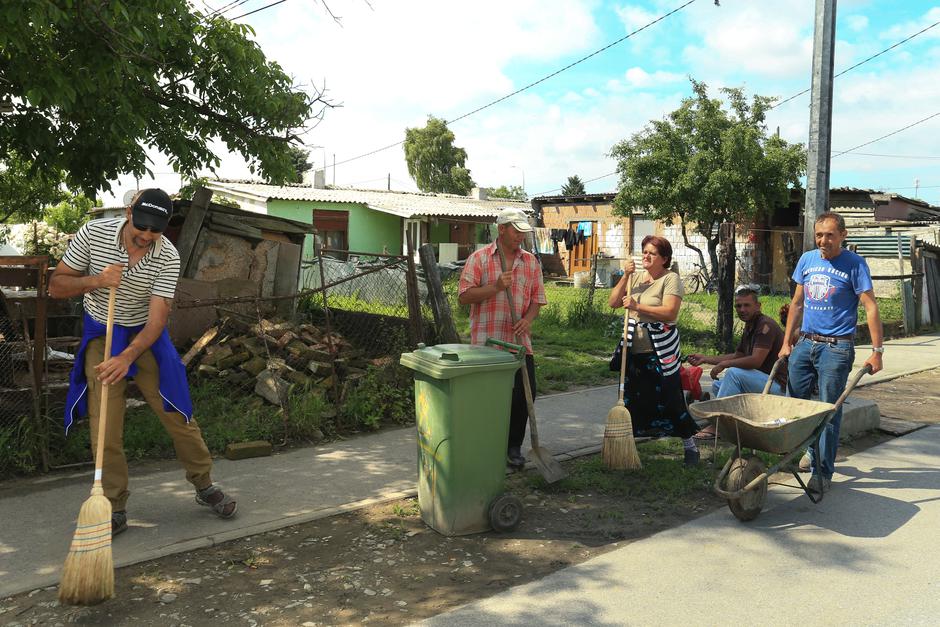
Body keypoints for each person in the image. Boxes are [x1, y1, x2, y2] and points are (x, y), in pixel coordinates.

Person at [50, 189, 237, 535]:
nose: (147, 236)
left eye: (156, 230)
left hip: (144, 336)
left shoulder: (167, 255)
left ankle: (204, 484)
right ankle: (114, 505)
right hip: (102, 332)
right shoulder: (93, 234)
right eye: (142, 227)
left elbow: (156, 320)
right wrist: (97, 280)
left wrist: (127, 356)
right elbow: (56, 286)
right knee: (104, 423)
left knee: (176, 410)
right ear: (128, 212)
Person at [780, 211, 884, 493]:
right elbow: (797, 304)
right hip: (805, 344)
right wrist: (786, 342)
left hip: (836, 348)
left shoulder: (854, 264)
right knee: (796, 406)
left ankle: (822, 472)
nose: (823, 240)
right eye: (819, 235)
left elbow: (870, 307)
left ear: (843, 236)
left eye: (829, 235)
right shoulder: (807, 260)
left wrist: (877, 351)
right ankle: (808, 452)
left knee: (828, 410)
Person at [458, 208, 547, 467]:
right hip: (487, 344)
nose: (521, 235)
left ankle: (513, 448)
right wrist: (495, 287)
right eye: (516, 230)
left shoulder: (530, 262)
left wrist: (527, 320)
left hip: (518, 344)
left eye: (523, 231)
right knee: (488, 399)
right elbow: (464, 296)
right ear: (502, 229)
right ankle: (486, 445)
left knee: (525, 395)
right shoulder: (480, 259)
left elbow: (537, 300)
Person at [608, 235, 701, 465]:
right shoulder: (636, 277)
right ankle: (629, 450)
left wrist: (637, 306)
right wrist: (626, 275)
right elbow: (613, 303)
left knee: (671, 399)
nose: (646, 256)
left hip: (661, 350)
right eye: (644, 251)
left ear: (664, 258)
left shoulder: (671, 279)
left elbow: (670, 312)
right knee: (635, 399)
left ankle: (690, 445)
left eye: (652, 253)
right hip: (634, 349)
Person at [687, 286, 787, 440]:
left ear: (758, 306)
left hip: (779, 388)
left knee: (733, 374)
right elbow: (738, 355)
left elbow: (755, 360)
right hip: (763, 383)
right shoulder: (750, 325)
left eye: (747, 305)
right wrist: (706, 358)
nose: (742, 309)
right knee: (719, 385)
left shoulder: (765, 326)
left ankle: (718, 426)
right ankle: (737, 424)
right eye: (738, 306)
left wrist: (725, 364)